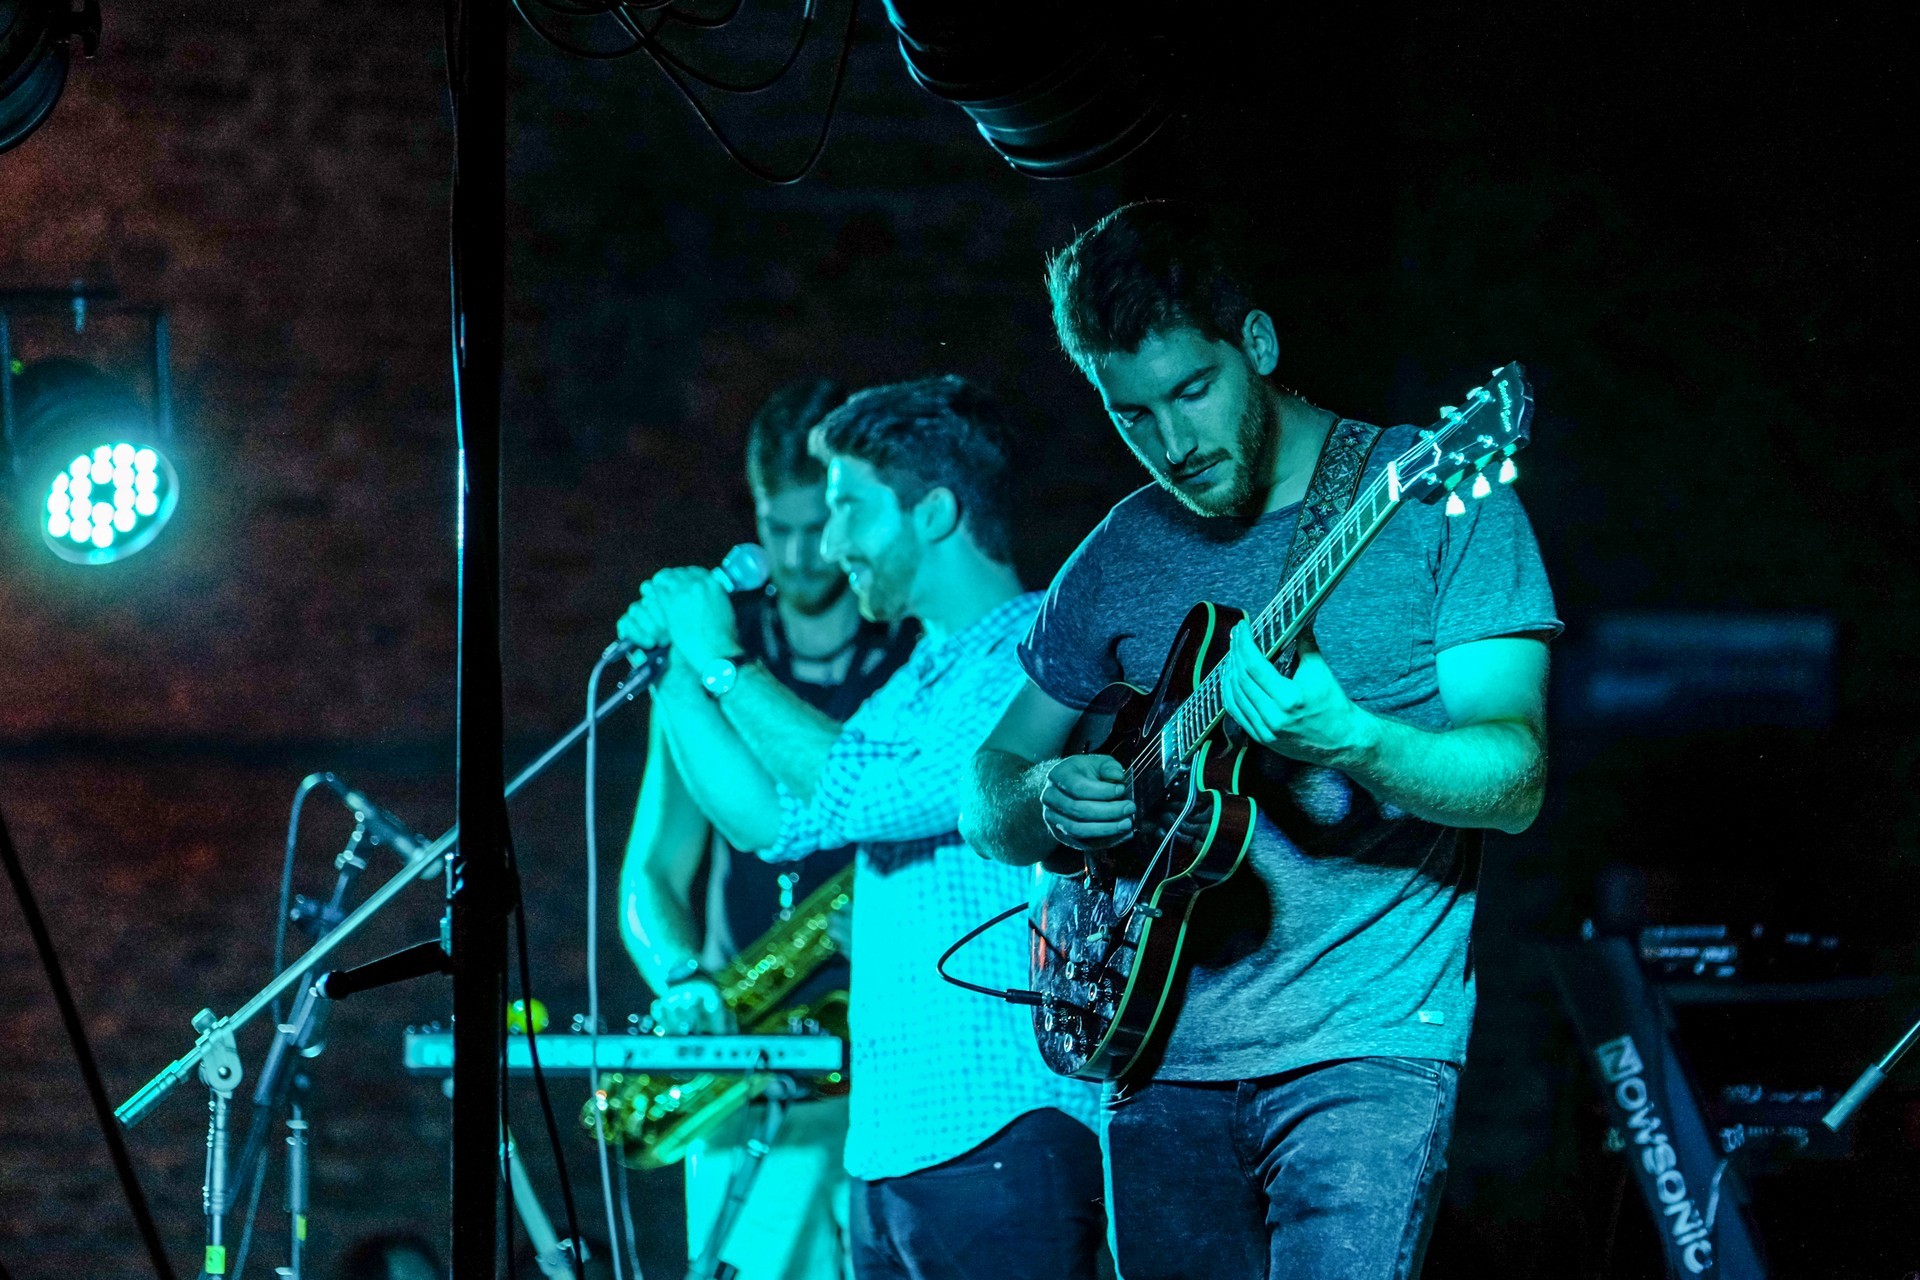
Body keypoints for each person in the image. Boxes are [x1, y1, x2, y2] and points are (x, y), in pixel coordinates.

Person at [961, 202, 1561, 1280]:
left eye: (1193, 389)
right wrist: (1045, 794)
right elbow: (987, 794)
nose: (1173, 443)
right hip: (1151, 1050)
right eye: (1132, 413)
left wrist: (1357, 741)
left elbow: (1514, 779)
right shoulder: (1123, 546)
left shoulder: (1429, 496)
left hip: (1364, 1051)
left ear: (1260, 344)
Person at [619, 376, 1105, 1280]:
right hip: (892, 1146)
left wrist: (723, 662)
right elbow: (773, 820)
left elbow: (863, 791)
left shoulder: (1033, 654)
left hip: (1002, 1129)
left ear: (935, 513)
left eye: (847, 509)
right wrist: (679, 675)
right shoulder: (918, 678)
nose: (830, 546)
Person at [619, 378, 917, 1280]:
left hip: (898, 1065)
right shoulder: (710, 654)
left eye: (816, 525)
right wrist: (682, 977)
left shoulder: (916, 654)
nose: (795, 554)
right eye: (773, 526)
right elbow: (651, 873)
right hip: (747, 1080)